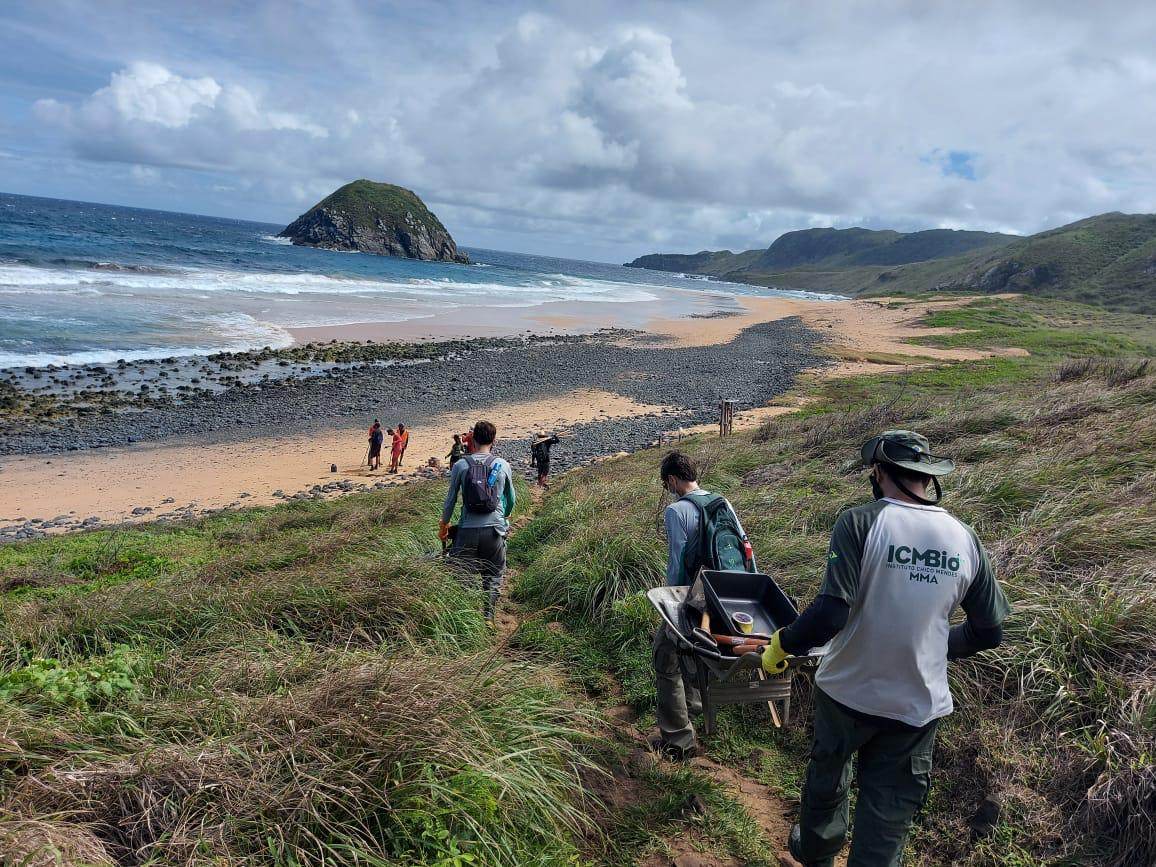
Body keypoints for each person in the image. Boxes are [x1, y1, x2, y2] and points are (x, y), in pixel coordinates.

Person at [761, 430, 1011, 867]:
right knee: (889, 811)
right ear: (927, 477)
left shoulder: (859, 522)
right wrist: (934, 648)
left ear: (877, 472)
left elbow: (830, 615)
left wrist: (781, 644)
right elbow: (990, 630)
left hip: (846, 693)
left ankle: (816, 853)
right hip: (917, 705)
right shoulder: (964, 538)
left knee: (828, 781)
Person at [651, 450, 750, 761]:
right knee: (696, 655)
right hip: (727, 594)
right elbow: (744, 546)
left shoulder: (676, 511)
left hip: (693, 597)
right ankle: (698, 709)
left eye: (666, 484)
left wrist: (671, 605)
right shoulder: (722, 501)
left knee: (665, 656)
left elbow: (677, 562)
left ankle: (678, 738)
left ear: (672, 479)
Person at [439, 420, 516, 621]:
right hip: (494, 531)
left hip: (467, 530)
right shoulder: (503, 465)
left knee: (461, 574)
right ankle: (488, 617)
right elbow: (511, 499)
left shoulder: (461, 465)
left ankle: (463, 619)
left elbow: (450, 500)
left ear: (472, 440)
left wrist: (444, 525)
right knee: (494, 573)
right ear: (494, 440)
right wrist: (504, 517)